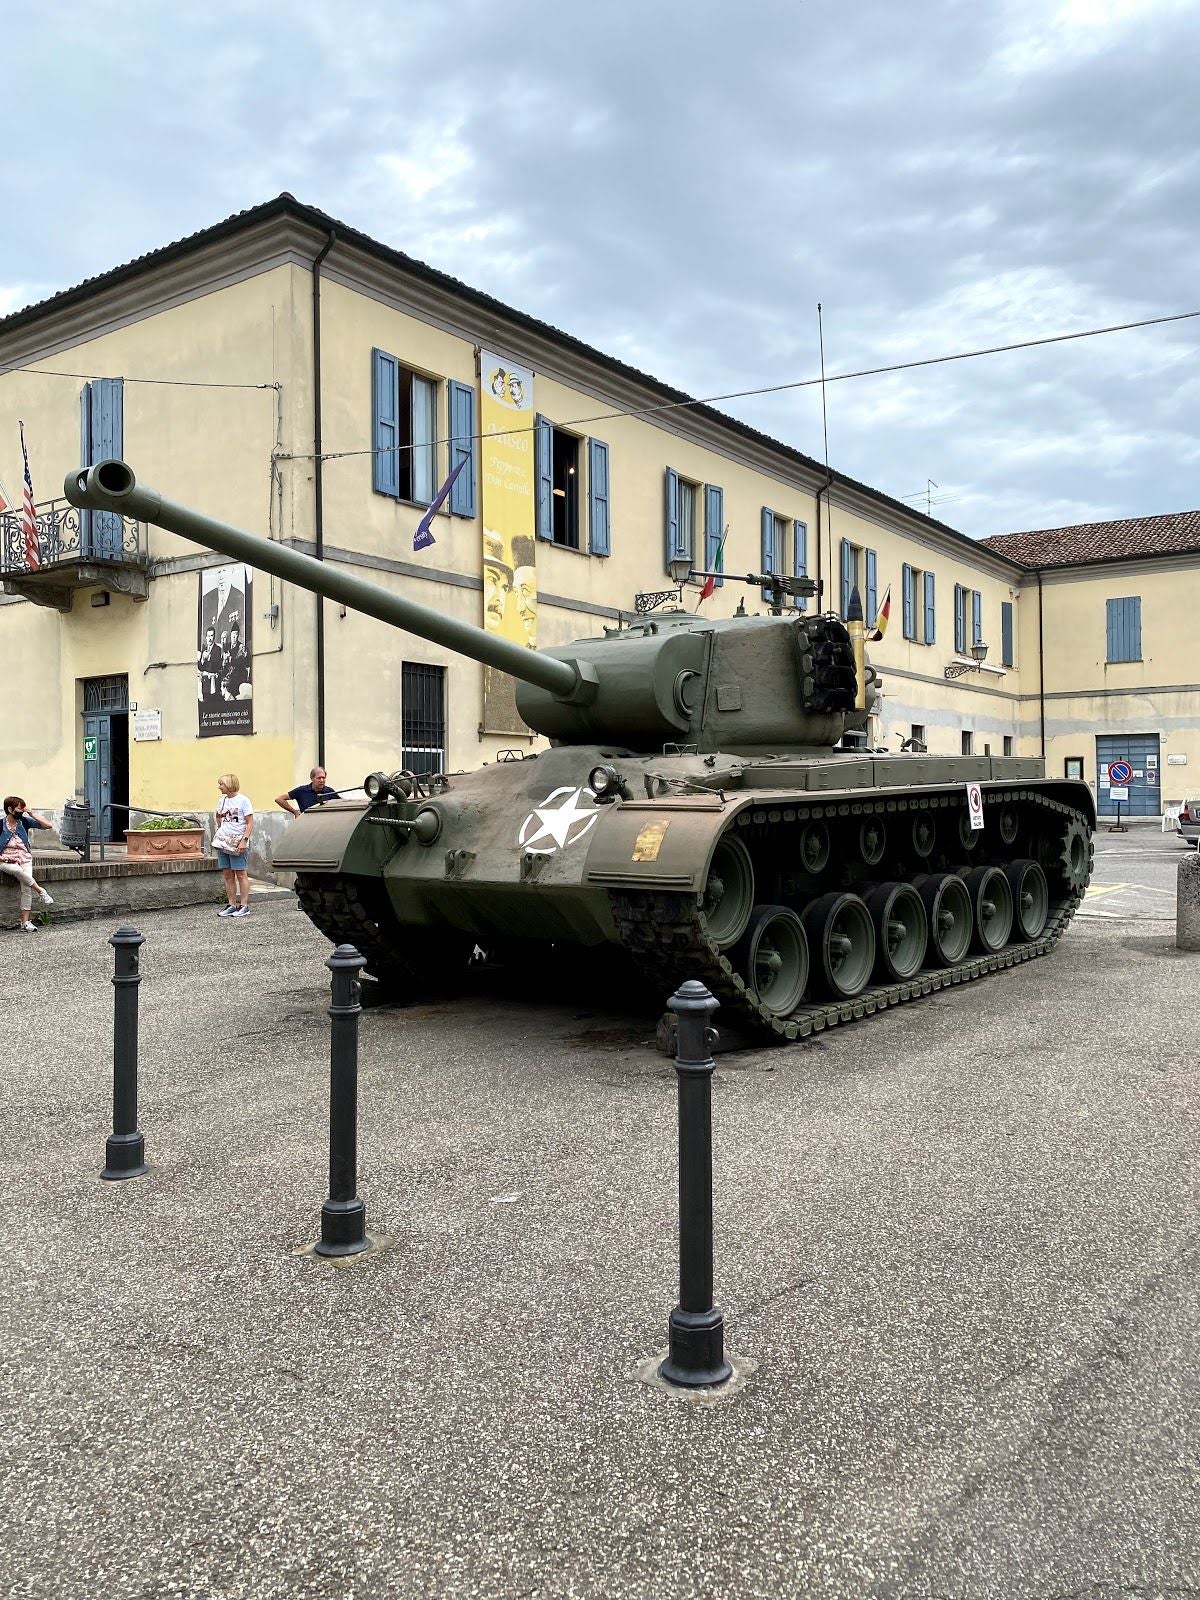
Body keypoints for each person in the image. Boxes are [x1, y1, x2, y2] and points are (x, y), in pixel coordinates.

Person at [0, 797, 54, 932]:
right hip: (5, 860)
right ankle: (41, 890)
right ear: (10, 809)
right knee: (18, 871)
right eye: (19, 808)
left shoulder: (24, 821)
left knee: (26, 886)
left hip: (24, 858)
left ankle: (25, 922)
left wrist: (32, 813)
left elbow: (48, 825)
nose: (22, 811)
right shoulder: (0, 825)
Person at [213, 773, 254, 918]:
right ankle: (231, 904)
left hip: (238, 841)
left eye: (221, 784)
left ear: (229, 784)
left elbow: (249, 822)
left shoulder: (243, 800)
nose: (219, 787)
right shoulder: (222, 800)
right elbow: (219, 817)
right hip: (224, 841)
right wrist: (220, 824)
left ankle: (244, 905)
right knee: (227, 874)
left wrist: (244, 840)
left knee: (241, 873)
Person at [275, 767, 340, 817]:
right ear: (312, 778)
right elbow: (279, 799)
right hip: (307, 826)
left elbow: (341, 803)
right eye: (319, 778)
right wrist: (295, 812)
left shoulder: (330, 791)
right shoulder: (301, 791)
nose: (322, 780)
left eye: (323, 778)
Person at [221, 618, 251, 701]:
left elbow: (244, 663)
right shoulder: (226, 646)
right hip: (226, 676)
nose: (234, 636)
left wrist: (231, 659)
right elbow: (223, 662)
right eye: (233, 634)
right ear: (230, 634)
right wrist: (224, 661)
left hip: (237, 678)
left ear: (238, 635)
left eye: (236, 634)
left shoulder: (242, 647)